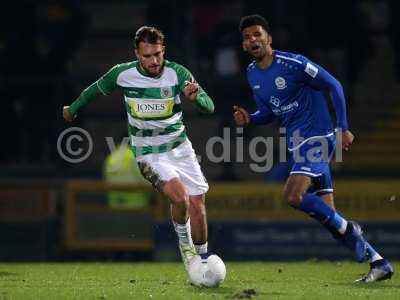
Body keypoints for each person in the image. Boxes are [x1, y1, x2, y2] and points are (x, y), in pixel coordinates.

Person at [233, 14, 394, 283]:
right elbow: (269, 111)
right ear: (243, 45)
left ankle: (352, 229)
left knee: (293, 196)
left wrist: (343, 127)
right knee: (330, 219)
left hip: (318, 138)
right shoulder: (252, 74)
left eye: (257, 34)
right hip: (299, 146)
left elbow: (334, 85)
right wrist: (251, 118)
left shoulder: (294, 63)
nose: (253, 40)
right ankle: (379, 263)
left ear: (269, 38)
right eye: (247, 37)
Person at [63, 26, 214, 274]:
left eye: (157, 54)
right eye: (147, 56)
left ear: (163, 50)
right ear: (137, 54)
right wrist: (73, 108)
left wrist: (195, 98)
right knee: (180, 198)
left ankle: (204, 261)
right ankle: (186, 250)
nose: (154, 61)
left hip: (180, 148)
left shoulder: (178, 73)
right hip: (149, 152)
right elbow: (94, 89)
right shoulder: (122, 74)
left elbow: (209, 107)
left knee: (198, 204)